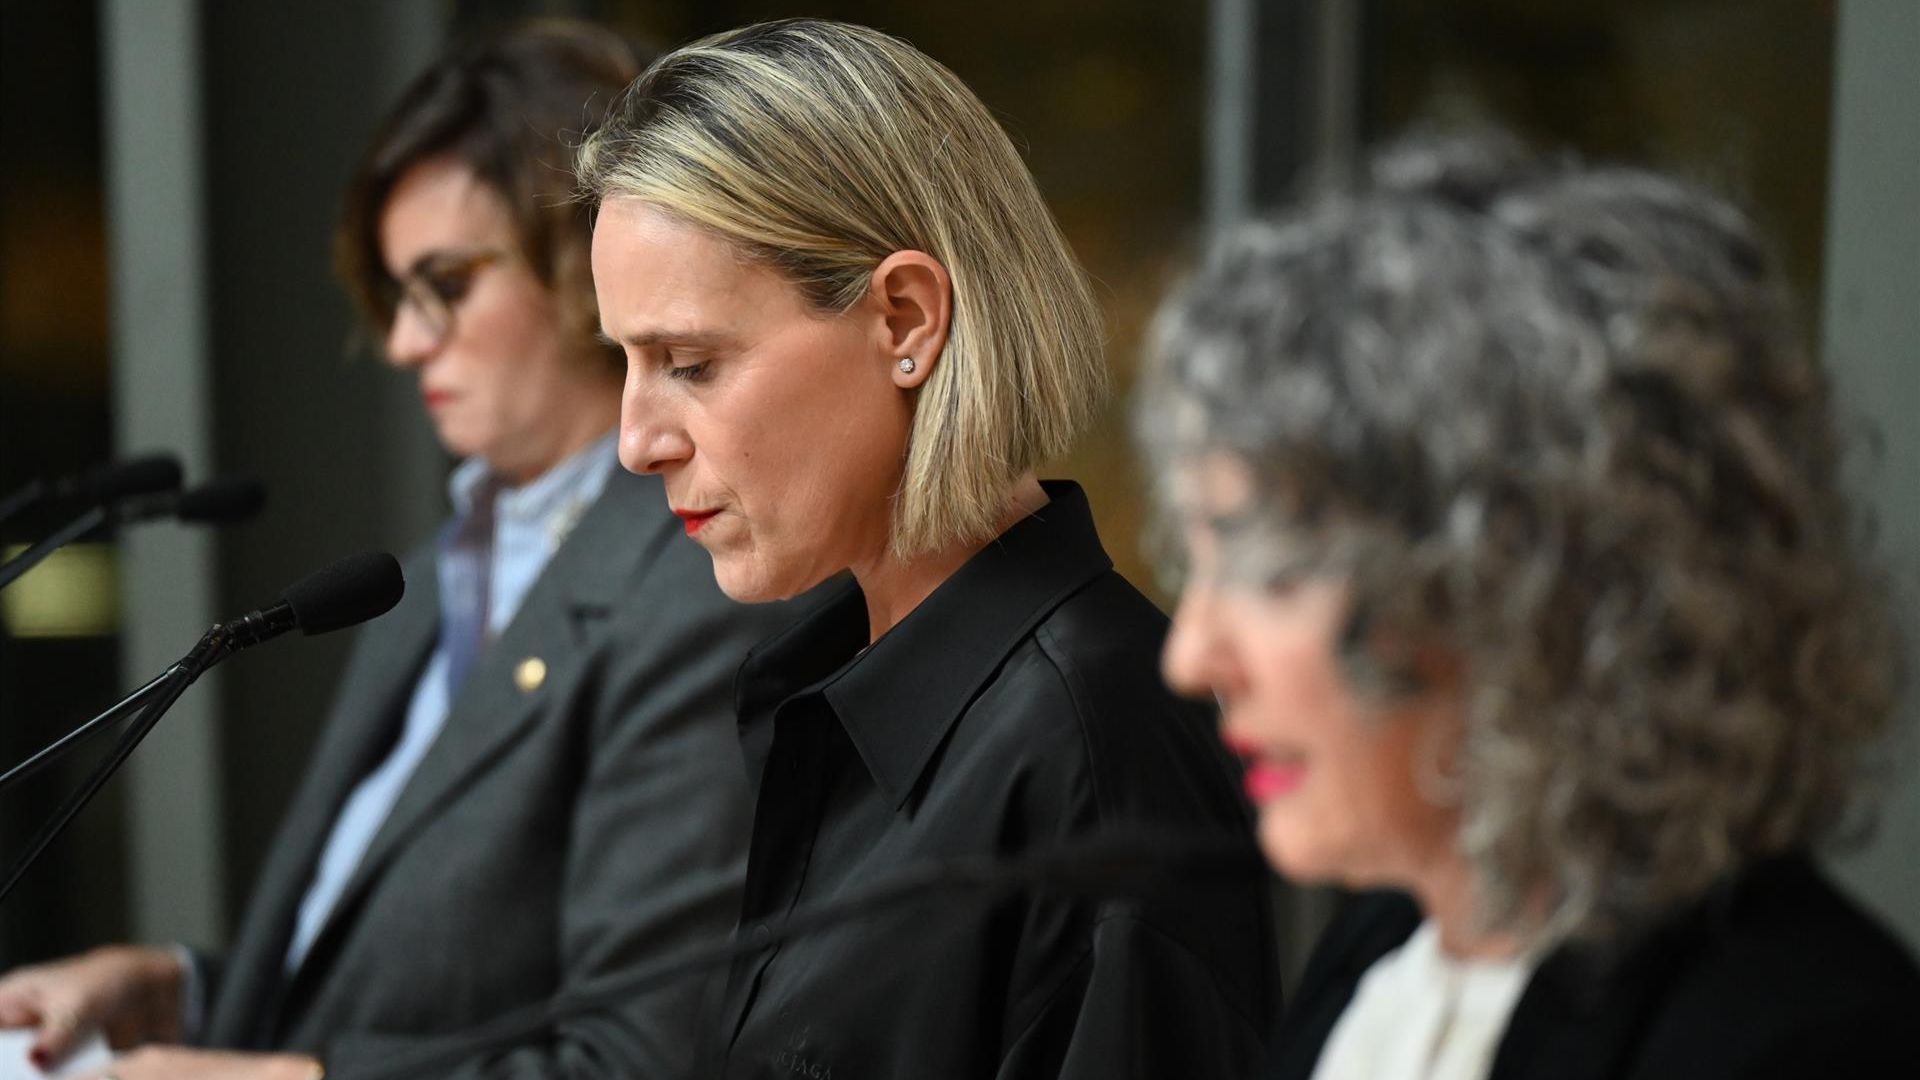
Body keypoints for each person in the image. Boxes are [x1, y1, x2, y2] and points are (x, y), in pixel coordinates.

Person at [0, 21, 796, 1079]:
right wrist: (175, 991)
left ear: (583, 263)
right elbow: (400, 982)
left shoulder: (701, 582)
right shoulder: (420, 579)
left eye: (447, 285)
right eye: (395, 296)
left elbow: (634, 1060)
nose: (406, 342)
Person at [581, 18, 1278, 1080]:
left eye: (690, 363)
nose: (637, 442)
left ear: (907, 320)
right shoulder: (846, 688)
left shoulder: (1095, 752)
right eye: (624, 364)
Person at [1138, 132, 1920, 1079]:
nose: (1191, 657)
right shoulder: (1383, 953)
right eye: (1201, 564)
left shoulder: (1805, 1044)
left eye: (1273, 574)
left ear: (1526, 592)